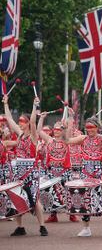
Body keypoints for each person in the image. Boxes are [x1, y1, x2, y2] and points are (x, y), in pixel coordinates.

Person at [2, 95, 48, 236]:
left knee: (35, 199)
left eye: (22, 121)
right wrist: (6, 103)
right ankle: (20, 227)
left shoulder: (33, 137)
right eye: (20, 121)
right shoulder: (20, 135)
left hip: (31, 170)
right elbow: (9, 119)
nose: (20, 123)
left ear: (27, 123)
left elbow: (34, 123)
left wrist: (35, 106)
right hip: (19, 169)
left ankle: (42, 226)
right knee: (15, 197)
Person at [66, 116, 102, 238]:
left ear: (97, 127)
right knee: (84, 200)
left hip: (99, 172)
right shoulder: (83, 138)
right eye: (87, 127)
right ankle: (86, 228)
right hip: (85, 172)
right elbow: (67, 140)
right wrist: (70, 123)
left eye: (91, 127)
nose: (89, 129)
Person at [37, 112, 78, 223]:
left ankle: (72, 214)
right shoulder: (49, 140)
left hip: (65, 171)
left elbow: (70, 127)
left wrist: (70, 116)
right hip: (52, 170)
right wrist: (41, 118)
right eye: (55, 129)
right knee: (52, 192)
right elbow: (39, 131)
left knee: (69, 192)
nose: (56, 131)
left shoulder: (66, 140)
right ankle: (53, 215)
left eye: (59, 129)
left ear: (62, 131)